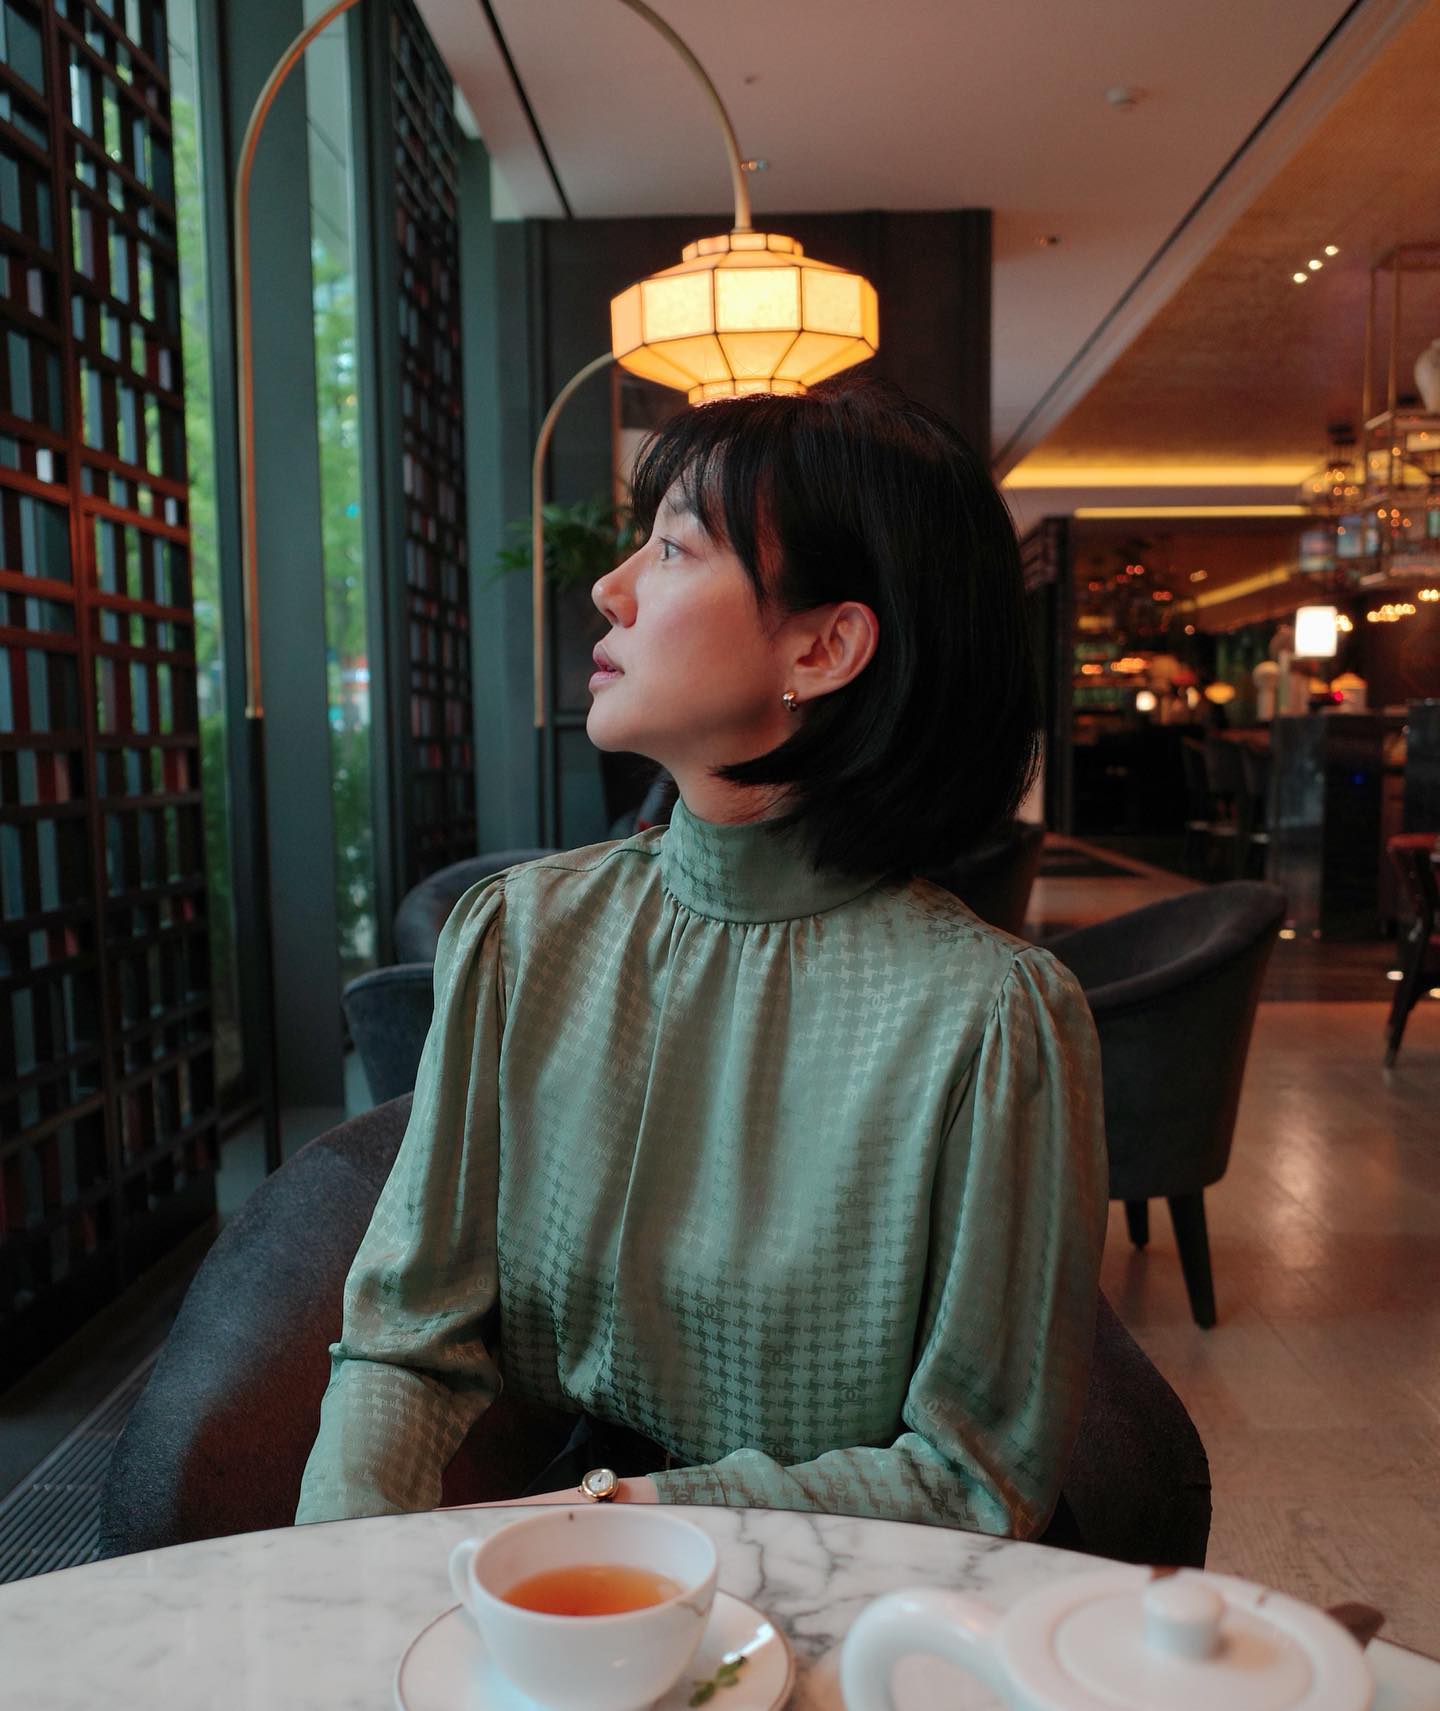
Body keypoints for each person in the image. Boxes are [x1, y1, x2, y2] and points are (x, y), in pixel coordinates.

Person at [297, 376, 1107, 1538]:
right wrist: (345, 1576)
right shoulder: (522, 933)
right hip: (570, 1564)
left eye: (673, 548)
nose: (610, 587)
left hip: (865, 1590)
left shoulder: (991, 1017)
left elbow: (975, 1480)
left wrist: (609, 1522)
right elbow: (404, 1341)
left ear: (825, 646)